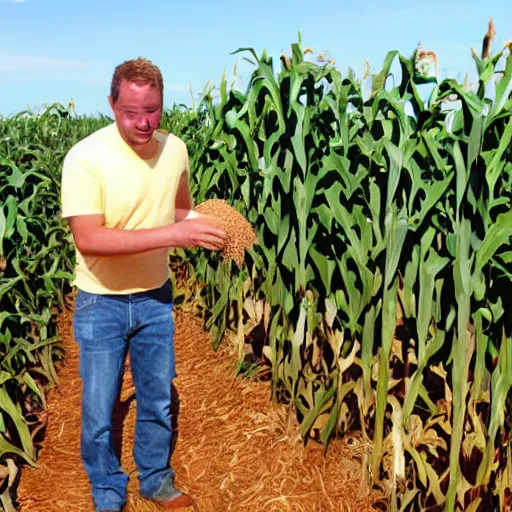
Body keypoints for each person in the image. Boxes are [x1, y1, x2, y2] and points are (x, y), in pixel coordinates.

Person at [60, 57, 226, 512]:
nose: (144, 122)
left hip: (155, 296)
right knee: (98, 410)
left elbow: (175, 211)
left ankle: (155, 479)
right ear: (111, 104)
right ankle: (108, 489)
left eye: (152, 110)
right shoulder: (85, 158)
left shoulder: (176, 150)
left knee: (156, 397)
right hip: (101, 300)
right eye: (131, 111)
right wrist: (175, 235)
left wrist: (213, 225)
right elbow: (89, 238)